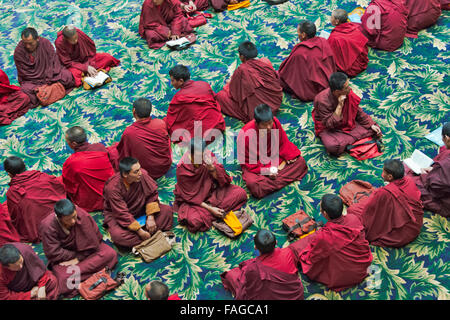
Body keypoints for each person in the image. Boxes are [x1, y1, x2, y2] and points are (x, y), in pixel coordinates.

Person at [289, 194, 373, 291]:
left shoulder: (323, 236)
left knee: (299, 250)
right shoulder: (353, 218)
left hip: (344, 277)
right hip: (363, 266)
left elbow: (313, 257)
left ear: (324, 213)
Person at [39, 199, 118, 298]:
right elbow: (53, 252)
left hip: (88, 252)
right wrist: (73, 257)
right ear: (59, 218)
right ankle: (91, 275)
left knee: (110, 254)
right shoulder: (47, 226)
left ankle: (82, 278)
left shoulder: (81, 215)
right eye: (68, 220)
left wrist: (78, 258)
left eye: (74, 217)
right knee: (63, 278)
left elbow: (94, 239)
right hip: (65, 259)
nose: (73, 221)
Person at [174, 139, 248, 233]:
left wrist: (212, 169)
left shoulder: (207, 155)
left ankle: (214, 213)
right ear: (191, 154)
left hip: (213, 192)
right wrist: (211, 209)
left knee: (241, 193)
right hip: (195, 201)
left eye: (204, 154)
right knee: (195, 221)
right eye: (199, 156)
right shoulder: (182, 168)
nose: (203, 158)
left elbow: (223, 179)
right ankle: (216, 213)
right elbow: (189, 196)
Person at [347, 160, 424, 247]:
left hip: (400, 234)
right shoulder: (409, 180)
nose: (382, 174)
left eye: (383, 172)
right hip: (416, 225)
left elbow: (371, 211)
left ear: (390, 176)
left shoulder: (385, 193)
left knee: (353, 210)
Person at [237, 104, 308, 199]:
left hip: (274, 156)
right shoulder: (245, 135)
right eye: (264, 125)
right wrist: (267, 171)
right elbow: (249, 164)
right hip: (256, 165)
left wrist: (288, 156)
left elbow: (283, 142)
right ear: (257, 124)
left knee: (301, 162)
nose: (269, 127)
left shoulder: (275, 123)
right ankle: (279, 178)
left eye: (270, 123)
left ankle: (272, 182)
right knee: (254, 184)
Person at [103, 157, 174, 248]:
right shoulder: (113, 188)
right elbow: (121, 213)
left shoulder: (142, 175)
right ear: (125, 174)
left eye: (139, 169)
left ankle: (146, 235)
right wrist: (140, 231)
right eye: (136, 172)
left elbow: (152, 195)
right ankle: (150, 233)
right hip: (120, 215)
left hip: (140, 208)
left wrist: (150, 217)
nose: (140, 173)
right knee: (119, 236)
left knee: (167, 211)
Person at [221, 229, 304, 300]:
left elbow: (250, 290)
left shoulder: (253, 268)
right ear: (276, 242)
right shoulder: (288, 253)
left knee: (231, 275)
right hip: (296, 296)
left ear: (255, 247)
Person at [312, 72, 382, 156]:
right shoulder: (321, 101)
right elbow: (329, 124)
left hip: (347, 122)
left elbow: (357, 111)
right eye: (346, 87)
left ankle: (347, 143)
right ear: (337, 91)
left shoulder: (347, 92)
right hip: (330, 129)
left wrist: (370, 124)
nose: (350, 88)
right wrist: (340, 105)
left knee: (374, 128)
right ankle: (354, 140)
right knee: (332, 146)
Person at [216, 41, 283, 123]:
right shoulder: (264, 64)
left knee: (220, 96)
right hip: (275, 103)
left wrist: (230, 83)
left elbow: (234, 95)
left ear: (242, 57)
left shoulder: (241, 70)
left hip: (258, 113)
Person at [4, 156, 66, 243]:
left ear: (9, 174)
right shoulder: (42, 176)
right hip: (62, 219)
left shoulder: (13, 192)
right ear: (25, 167)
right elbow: (60, 188)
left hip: (39, 230)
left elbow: (15, 217)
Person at [13, 27, 75, 108]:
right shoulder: (19, 51)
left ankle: (44, 92)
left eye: (30, 43)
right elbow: (24, 73)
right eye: (25, 43)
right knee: (24, 92)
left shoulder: (45, 43)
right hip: (32, 81)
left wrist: (48, 77)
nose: (27, 46)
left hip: (50, 75)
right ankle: (51, 89)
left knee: (67, 76)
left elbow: (54, 61)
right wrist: (40, 83)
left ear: (37, 39)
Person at [278, 20, 336, 102]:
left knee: (280, 78)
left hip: (312, 90)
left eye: (298, 32)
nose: (297, 35)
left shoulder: (300, 52)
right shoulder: (323, 41)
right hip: (327, 81)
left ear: (304, 34)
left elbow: (286, 71)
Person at [166, 65, 226, 144]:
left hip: (202, 136)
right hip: (218, 125)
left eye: (172, 81)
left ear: (180, 81)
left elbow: (171, 119)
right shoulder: (204, 84)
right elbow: (213, 98)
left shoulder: (178, 97)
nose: (171, 83)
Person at [115, 98, 172, 180]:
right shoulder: (160, 123)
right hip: (164, 165)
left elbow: (124, 154)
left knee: (113, 152)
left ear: (134, 111)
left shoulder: (129, 133)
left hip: (143, 172)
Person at [62, 126, 114, 212]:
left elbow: (69, 187)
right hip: (111, 195)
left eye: (67, 141)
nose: (67, 143)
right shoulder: (100, 148)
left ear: (74, 144)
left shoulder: (71, 162)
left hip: (90, 202)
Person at [405, 122, 450, 218]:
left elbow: (436, 186)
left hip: (445, 199)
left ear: (447, 138)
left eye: (442, 138)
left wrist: (425, 174)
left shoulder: (447, 162)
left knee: (406, 179)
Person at [55, 25, 120, 88]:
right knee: (71, 75)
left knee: (107, 57)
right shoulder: (59, 43)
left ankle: (89, 73)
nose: (76, 41)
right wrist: (85, 68)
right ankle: (89, 74)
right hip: (74, 65)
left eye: (76, 38)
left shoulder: (79, 33)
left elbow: (91, 50)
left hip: (86, 59)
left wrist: (91, 65)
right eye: (72, 40)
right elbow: (67, 62)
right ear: (65, 38)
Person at [328, 9, 369, 77]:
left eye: (331, 17)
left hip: (349, 69)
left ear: (337, 21)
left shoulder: (334, 37)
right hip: (361, 62)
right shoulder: (356, 28)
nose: (330, 18)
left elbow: (329, 55)